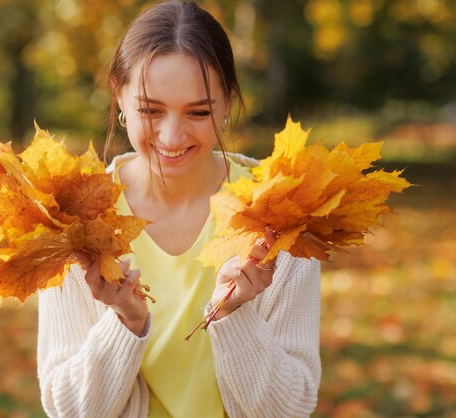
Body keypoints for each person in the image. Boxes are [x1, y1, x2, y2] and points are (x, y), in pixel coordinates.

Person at [36, 1, 321, 417]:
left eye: (199, 112)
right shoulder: (72, 217)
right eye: (151, 110)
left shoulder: (279, 210)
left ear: (227, 103)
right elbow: (70, 409)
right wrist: (124, 321)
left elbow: (290, 410)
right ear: (118, 93)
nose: (171, 137)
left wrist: (234, 315)